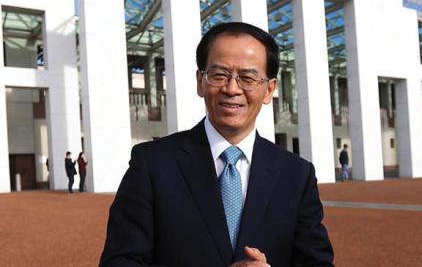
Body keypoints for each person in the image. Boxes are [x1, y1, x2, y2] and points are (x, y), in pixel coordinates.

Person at [100, 22, 334, 267]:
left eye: (248, 77)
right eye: (219, 74)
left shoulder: (296, 175)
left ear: (269, 90)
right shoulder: (152, 164)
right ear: (201, 82)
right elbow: (120, 261)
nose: (232, 89)